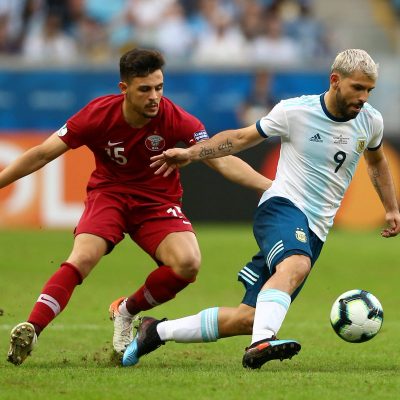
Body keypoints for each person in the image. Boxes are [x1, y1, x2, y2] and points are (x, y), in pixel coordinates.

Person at [122, 49, 400, 369]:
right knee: (296, 264)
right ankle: (262, 342)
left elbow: (376, 162)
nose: (364, 97)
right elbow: (240, 138)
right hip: (283, 206)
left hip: (316, 229)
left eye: (369, 90)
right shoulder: (295, 111)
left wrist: (391, 208)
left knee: (248, 318)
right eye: (358, 88)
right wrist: (193, 153)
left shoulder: (370, 120)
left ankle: (155, 331)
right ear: (335, 80)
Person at [3, 48, 271, 366]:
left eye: (159, 87)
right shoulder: (97, 114)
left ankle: (126, 310)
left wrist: (271, 188)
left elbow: (222, 160)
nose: (154, 97)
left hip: (157, 204)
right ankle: (32, 329)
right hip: (109, 196)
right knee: (83, 256)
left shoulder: (177, 119)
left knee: (188, 264)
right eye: (145, 89)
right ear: (124, 88)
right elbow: (43, 153)